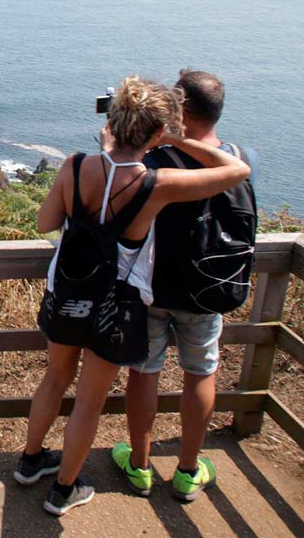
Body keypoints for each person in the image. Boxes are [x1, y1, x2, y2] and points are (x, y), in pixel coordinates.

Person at [17, 76, 250, 517]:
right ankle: (63, 491)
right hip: (114, 308)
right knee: (89, 403)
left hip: (66, 294)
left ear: (114, 120)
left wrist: (105, 154)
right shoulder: (156, 184)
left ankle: (29, 462)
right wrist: (178, 139)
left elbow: (45, 223)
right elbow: (237, 171)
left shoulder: (75, 165)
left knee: (54, 379)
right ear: (156, 131)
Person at [113, 70, 259, 502]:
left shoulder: (153, 160)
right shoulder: (240, 157)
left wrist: (159, 139)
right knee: (201, 372)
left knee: (144, 372)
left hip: (153, 287)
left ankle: (139, 466)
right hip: (208, 289)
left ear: (178, 108)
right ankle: (188, 470)